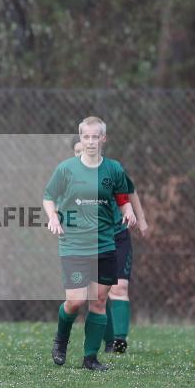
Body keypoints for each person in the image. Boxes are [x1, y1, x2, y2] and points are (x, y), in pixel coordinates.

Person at [45, 117, 135, 370]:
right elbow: (49, 196)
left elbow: (121, 197)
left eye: (96, 137)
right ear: (81, 138)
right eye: (87, 137)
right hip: (73, 244)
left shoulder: (114, 169)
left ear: (103, 139)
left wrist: (128, 210)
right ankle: (61, 340)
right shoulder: (66, 169)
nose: (91, 141)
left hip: (105, 244)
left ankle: (90, 358)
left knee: (98, 301)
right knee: (75, 301)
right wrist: (53, 217)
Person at [73, 141, 149, 354]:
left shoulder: (111, 171)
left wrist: (140, 219)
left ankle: (119, 341)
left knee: (120, 288)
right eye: (78, 152)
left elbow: (130, 192)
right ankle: (107, 341)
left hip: (116, 236)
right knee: (98, 293)